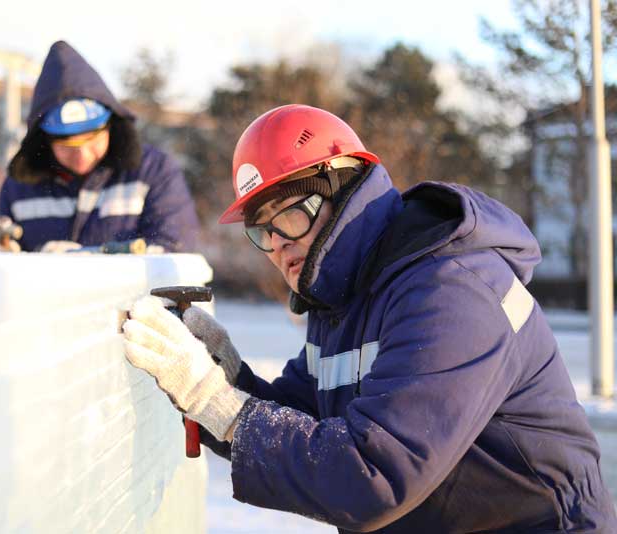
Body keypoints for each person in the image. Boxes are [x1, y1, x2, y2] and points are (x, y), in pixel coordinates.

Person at [122, 104, 617, 532]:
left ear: (343, 189)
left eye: (289, 217)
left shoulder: (450, 289)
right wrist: (221, 376)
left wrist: (218, 403)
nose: (276, 246)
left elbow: (374, 473)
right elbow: (297, 420)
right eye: (263, 231)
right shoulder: (342, 300)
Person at [0, 41, 199, 253]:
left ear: (110, 127)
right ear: (45, 140)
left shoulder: (153, 171)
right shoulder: (18, 187)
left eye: (92, 139)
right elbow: (8, 254)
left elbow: (174, 251)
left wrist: (79, 262)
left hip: (134, 289)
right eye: (67, 145)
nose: (82, 155)